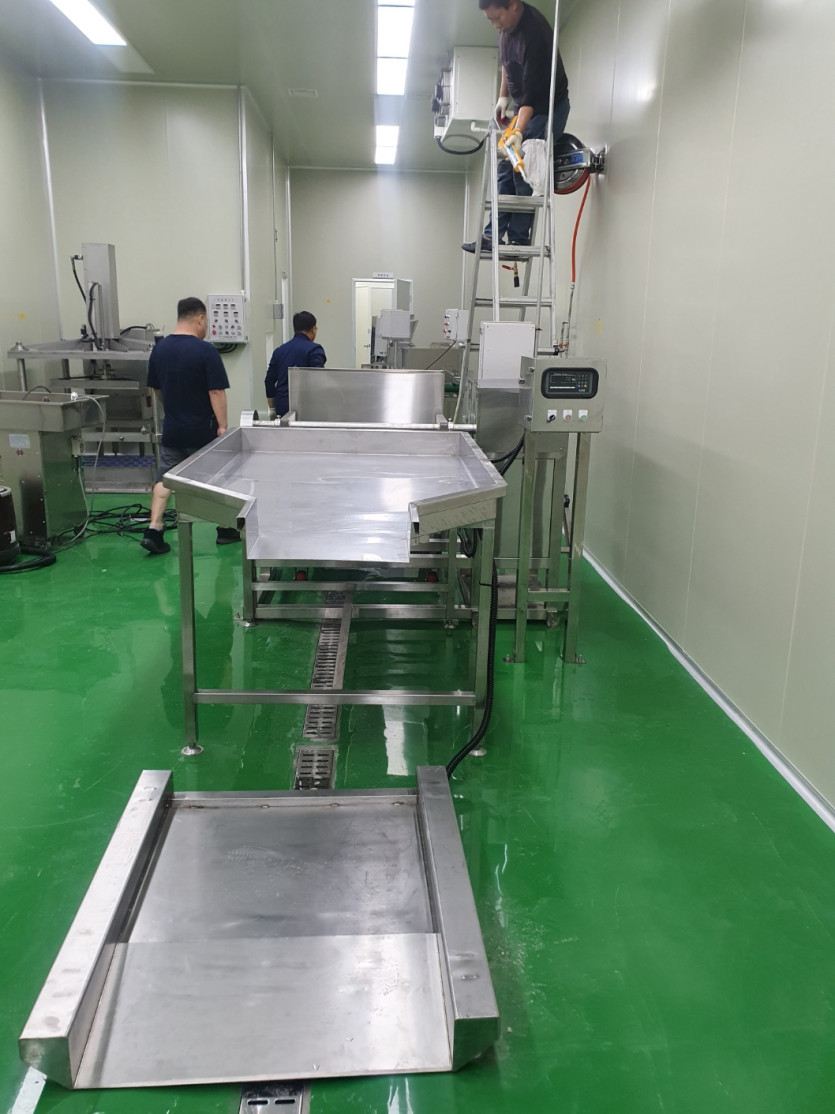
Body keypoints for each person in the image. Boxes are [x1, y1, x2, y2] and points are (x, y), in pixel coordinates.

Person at [463, 0, 570, 253]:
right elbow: (506, 63)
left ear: (513, 5)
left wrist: (518, 131)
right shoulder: (506, 28)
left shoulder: (535, 34)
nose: (494, 25)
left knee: (523, 170)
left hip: (546, 109)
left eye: (497, 18)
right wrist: (503, 97)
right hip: (523, 108)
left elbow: (532, 95)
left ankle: (519, 237)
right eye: (490, 20)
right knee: (504, 167)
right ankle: (492, 236)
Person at [141, 296, 238, 555]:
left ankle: (154, 528)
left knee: (165, 479)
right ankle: (225, 529)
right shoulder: (205, 351)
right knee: (220, 478)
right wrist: (223, 426)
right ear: (200, 318)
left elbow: (157, 389)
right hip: (203, 430)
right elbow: (216, 391)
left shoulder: (160, 349)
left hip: (174, 428)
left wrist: (173, 408)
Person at [265, 311, 326, 417]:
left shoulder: (279, 351)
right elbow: (318, 380)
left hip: (283, 409)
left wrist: (272, 409)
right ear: (313, 329)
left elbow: (269, 381)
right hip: (307, 409)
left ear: (294, 329)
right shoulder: (314, 350)